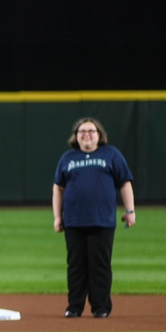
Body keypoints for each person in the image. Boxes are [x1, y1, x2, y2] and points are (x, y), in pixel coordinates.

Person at [52, 117, 136, 318]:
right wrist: (57, 216)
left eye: (91, 131)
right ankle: (74, 307)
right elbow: (58, 188)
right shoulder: (67, 158)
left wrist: (130, 211)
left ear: (99, 135)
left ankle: (101, 308)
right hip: (74, 220)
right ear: (76, 136)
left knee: (100, 265)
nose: (86, 134)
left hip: (103, 220)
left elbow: (124, 182)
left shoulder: (111, 154)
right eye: (82, 131)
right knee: (76, 266)